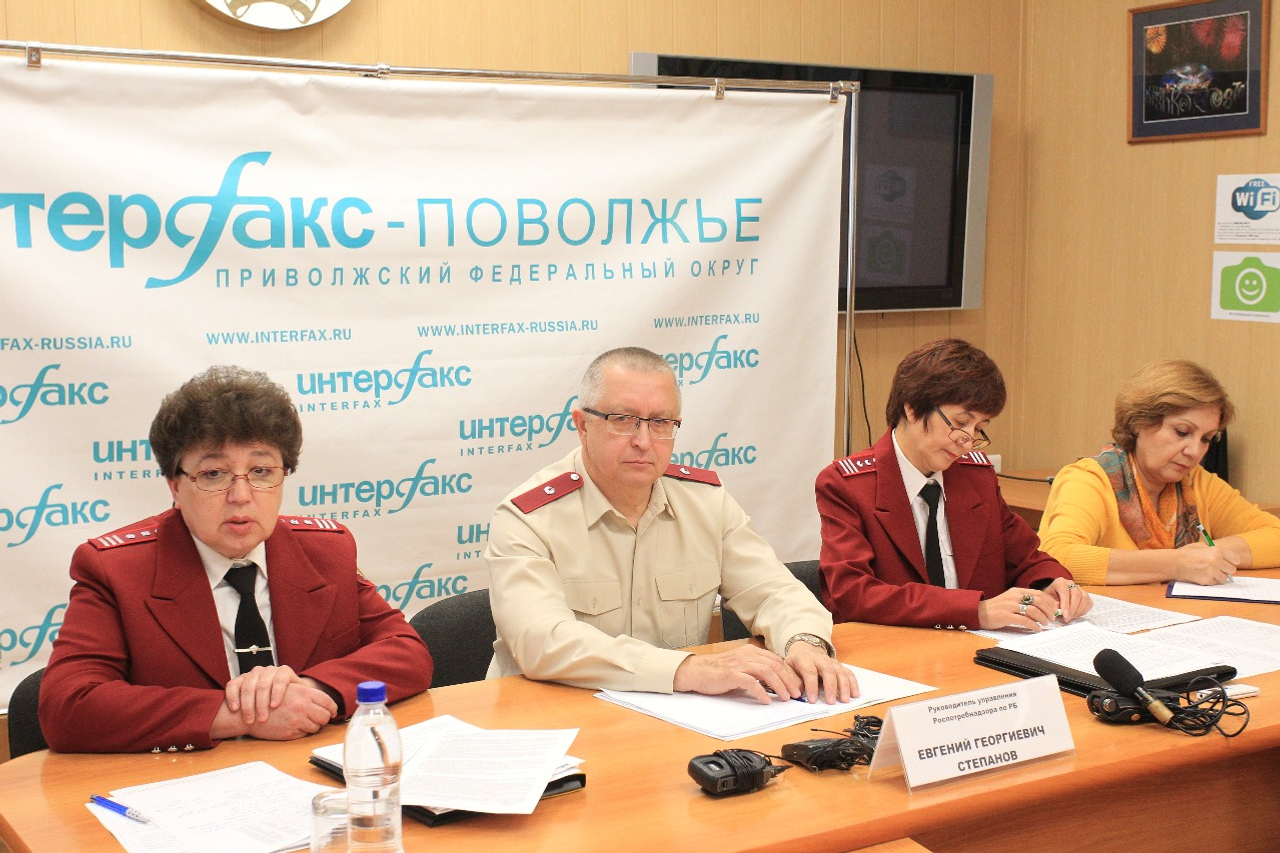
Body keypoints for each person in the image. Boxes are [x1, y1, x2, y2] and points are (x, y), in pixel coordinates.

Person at [40, 366, 433, 753]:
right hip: (188, 780)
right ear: (175, 486)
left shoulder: (325, 550)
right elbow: (68, 706)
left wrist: (311, 690)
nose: (241, 496)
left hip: (308, 766)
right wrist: (241, 716)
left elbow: (407, 653)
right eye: (214, 474)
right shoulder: (117, 569)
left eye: (261, 471)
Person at [484, 347, 855, 705]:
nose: (643, 441)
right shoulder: (529, 518)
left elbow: (773, 593)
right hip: (552, 718)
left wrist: (804, 642)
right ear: (582, 425)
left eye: (661, 423)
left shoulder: (706, 502)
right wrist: (687, 669)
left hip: (674, 718)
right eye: (623, 419)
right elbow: (542, 642)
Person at [816, 338, 1090, 630]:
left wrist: (1053, 582)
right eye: (960, 423)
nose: (967, 442)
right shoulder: (847, 486)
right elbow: (852, 593)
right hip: (895, 647)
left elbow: (1025, 558)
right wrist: (975, 611)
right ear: (912, 408)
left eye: (979, 428)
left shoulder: (976, 477)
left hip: (981, 647)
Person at [1038, 359, 1280, 585]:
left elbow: (1275, 535)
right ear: (1139, 422)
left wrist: (1207, 554)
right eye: (1182, 432)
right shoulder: (1089, 479)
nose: (1195, 451)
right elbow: (1058, 556)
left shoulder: (1197, 483)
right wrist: (1176, 564)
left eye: (1206, 439)